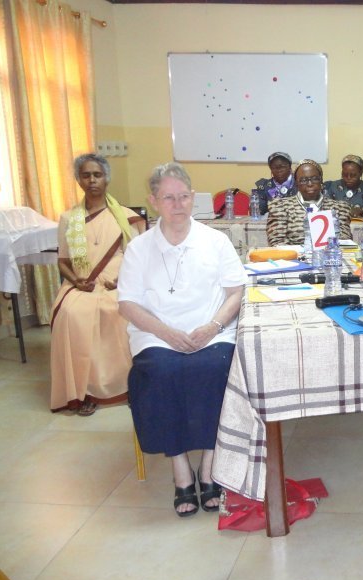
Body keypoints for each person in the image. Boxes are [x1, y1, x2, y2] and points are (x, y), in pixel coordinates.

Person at [118, 162, 247, 517]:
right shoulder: (139, 248)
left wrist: (213, 326)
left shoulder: (215, 240)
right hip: (157, 336)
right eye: (168, 198)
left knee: (217, 370)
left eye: (184, 197)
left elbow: (236, 292)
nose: (178, 205)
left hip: (212, 333)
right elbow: (127, 304)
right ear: (153, 201)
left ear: (193, 197)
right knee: (160, 374)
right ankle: (180, 470)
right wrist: (167, 333)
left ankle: (210, 466)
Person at [50, 154, 143, 416]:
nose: (92, 180)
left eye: (97, 175)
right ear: (78, 180)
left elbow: (139, 259)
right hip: (82, 284)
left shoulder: (126, 217)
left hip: (119, 282)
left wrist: (123, 280)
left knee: (119, 311)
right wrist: (75, 280)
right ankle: (86, 392)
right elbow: (63, 262)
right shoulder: (69, 218)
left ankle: (129, 386)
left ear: (106, 179)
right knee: (72, 313)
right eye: (86, 175)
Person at [266, 159, 352, 246]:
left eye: (315, 179)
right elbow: (277, 243)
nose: (310, 184)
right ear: (296, 183)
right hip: (293, 254)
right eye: (303, 180)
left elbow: (344, 242)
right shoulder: (280, 207)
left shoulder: (340, 208)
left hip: (330, 253)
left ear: (321, 180)